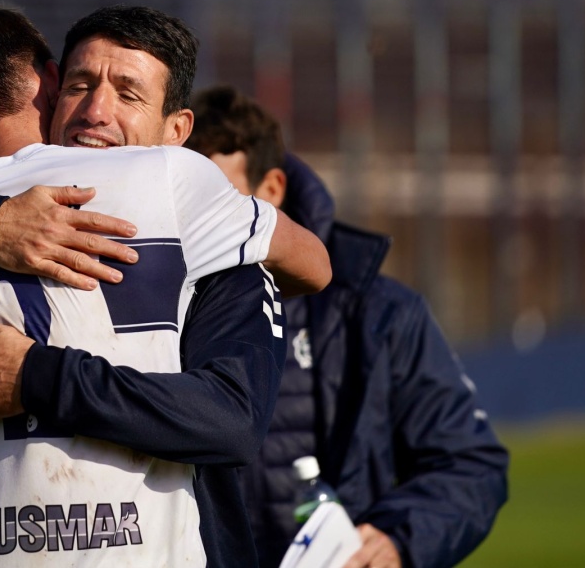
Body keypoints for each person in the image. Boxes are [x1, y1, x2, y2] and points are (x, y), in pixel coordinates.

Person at [0, 4, 330, 567]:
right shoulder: (170, 184)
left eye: (128, 94)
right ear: (50, 87)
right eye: (81, 86)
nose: (96, 112)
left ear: (177, 131)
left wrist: (34, 376)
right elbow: (314, 266)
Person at [184, 85, 510, 568]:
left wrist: (396, 538)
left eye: (216, 198)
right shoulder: (144, 301)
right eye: (184, 199)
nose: (196, 220)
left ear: (272, 190)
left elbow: (469, 464)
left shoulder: (377, 312)